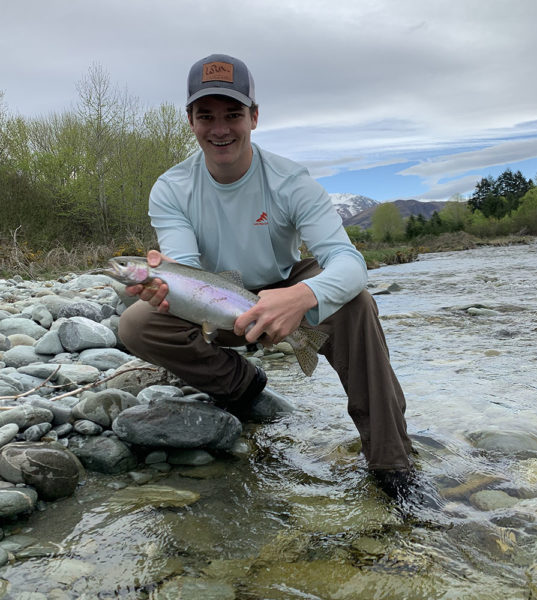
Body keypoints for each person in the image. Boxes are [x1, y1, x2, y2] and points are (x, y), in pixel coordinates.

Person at [119, 53, 414, 496]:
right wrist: (167, 290)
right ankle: (241, 386)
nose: (220, 128)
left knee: (357, 302)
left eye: (233, 114)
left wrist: (301, 298)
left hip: (285, 290)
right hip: (219, 302)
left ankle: (392, 464)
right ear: (190, 121)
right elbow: (188, 272)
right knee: (136, 323)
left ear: (254, 117)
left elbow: (350, 263)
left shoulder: (291, 181)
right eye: (206, 116)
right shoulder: (171, 188)